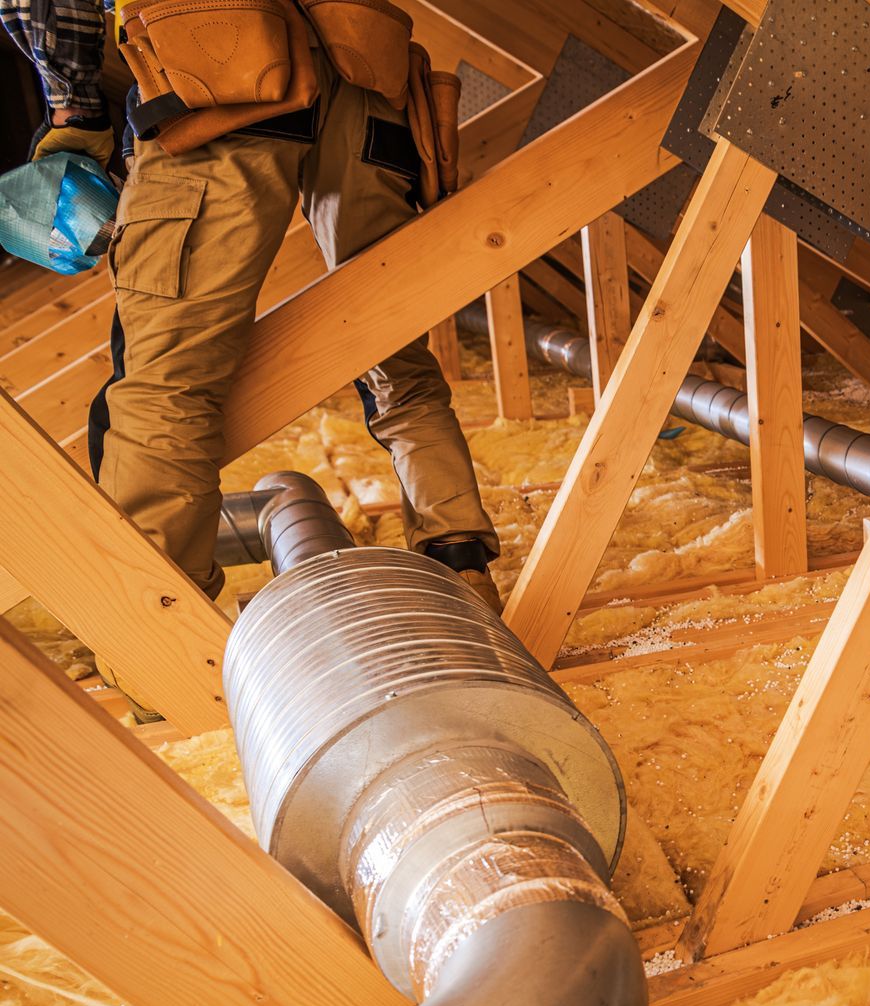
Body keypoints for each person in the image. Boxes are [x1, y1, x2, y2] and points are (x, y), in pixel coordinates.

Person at [6, 0, 503, 614]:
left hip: (216, 66)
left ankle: (163, 638)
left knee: (167, 385)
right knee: (393, 349)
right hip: (371, 74)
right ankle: (458, 559)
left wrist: (73, 104)